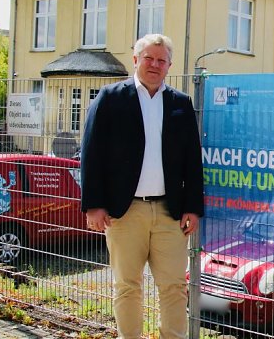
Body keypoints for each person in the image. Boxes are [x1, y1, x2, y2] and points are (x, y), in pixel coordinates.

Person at [80, 34, 204, 339]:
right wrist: (94, 204)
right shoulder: (110, 98)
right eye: (149, 58)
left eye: (162, 60)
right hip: (124, 212)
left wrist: (192, 207)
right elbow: (91, 152)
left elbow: (192, 160)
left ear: (169, 66)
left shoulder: (180, 103)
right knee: (127, 286)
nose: (155, 65)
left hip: (169, 213)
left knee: (174, 286)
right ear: (135, 60)